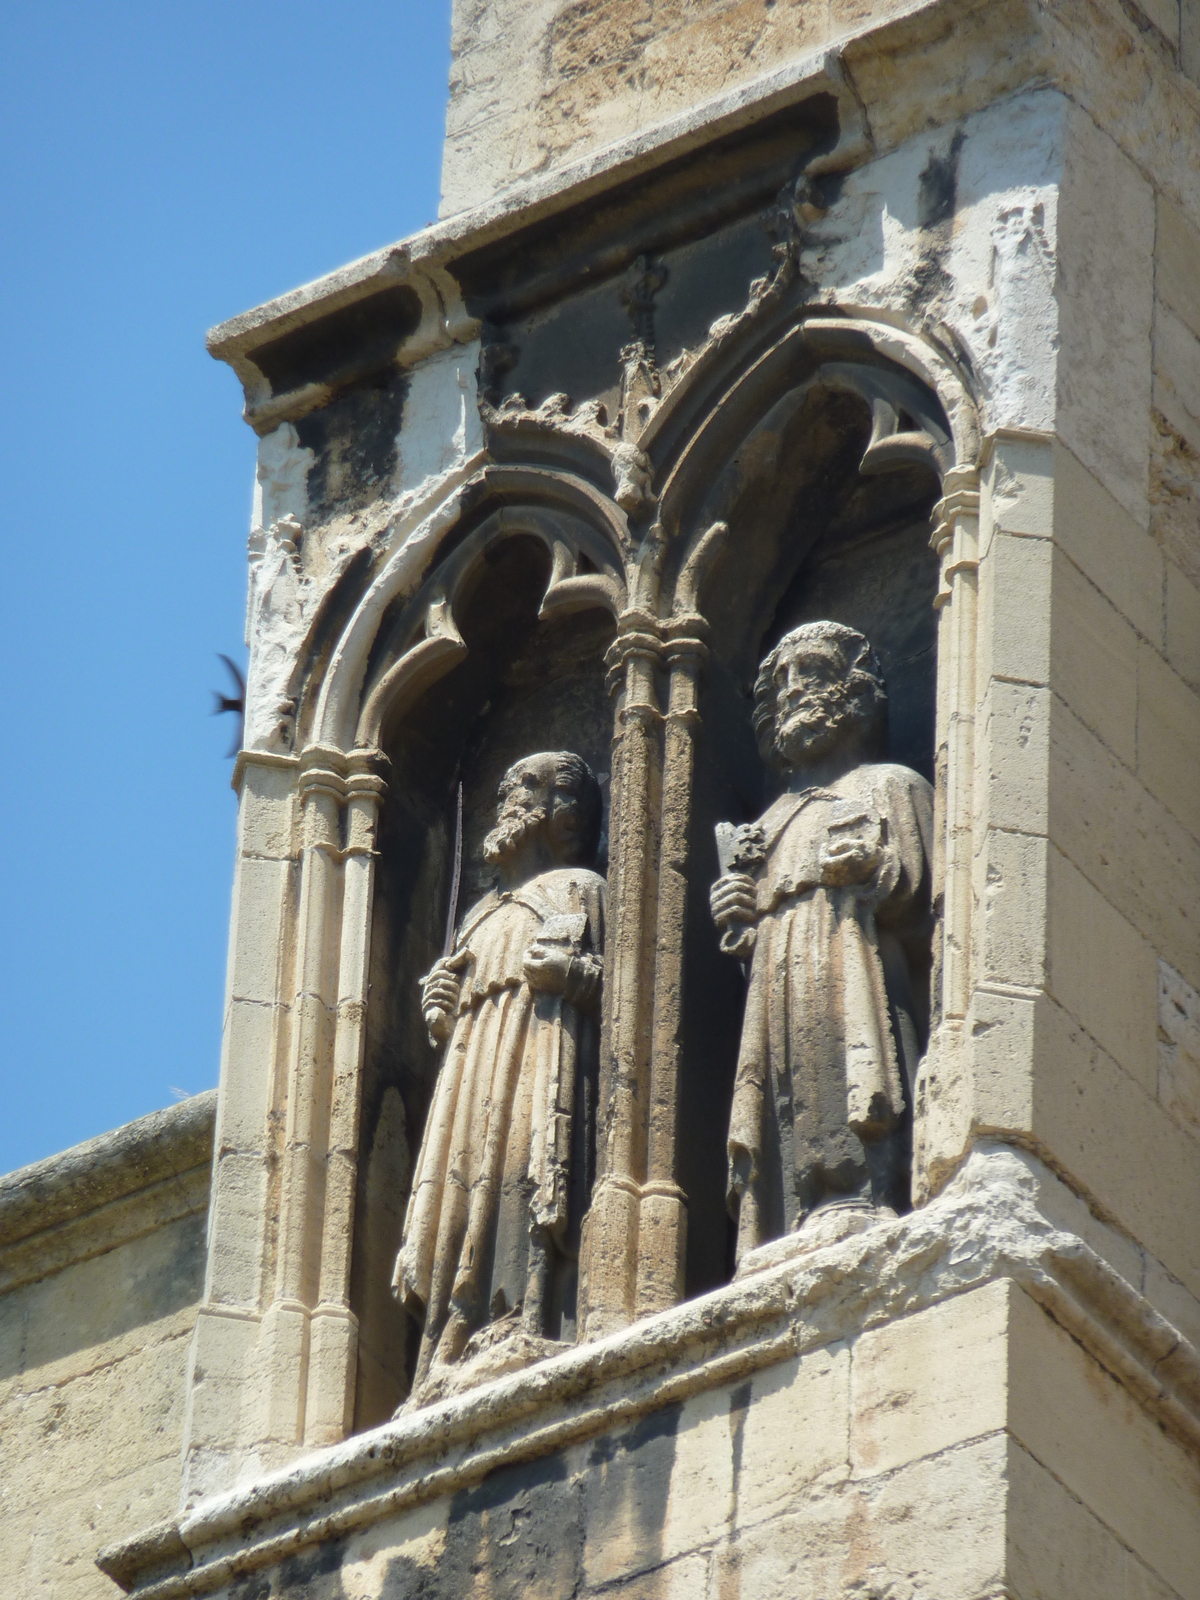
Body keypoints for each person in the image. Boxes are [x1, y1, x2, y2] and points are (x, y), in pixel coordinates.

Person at [710, 622, 933, 1267]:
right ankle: (785, 1213)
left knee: (853, 1060)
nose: (790, 690)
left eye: (808, 671)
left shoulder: (890, 785)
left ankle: (861, 1191)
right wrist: (739, 917)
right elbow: (747, 932)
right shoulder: (770, 823)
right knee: (781, 1076)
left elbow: (927, 899)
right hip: (781, 971)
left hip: (852, 957)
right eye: (779, 680)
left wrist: (877, 870)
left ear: (856, 692)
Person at [394, 751, 605, 1396]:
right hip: (473, 1075)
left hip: (538, 1056)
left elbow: (621, 994)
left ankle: (525, 1315)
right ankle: (447, 1341)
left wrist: (570, 976)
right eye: (511, 786)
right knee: (459, 1196)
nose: (509, 798)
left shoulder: (581, 889)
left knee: (521, 1175)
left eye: (528, 789)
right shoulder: (478, 916)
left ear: (562, 813)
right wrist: (442, 1015)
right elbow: (455, 1015)